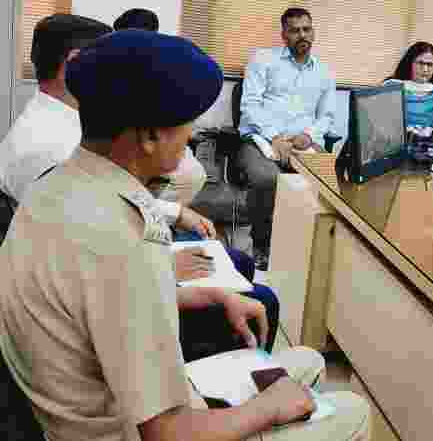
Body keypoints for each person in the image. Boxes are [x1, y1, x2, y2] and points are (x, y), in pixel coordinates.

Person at [0, 29, 370, 441]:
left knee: (306, 361)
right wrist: (268, 408)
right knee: (352, 411)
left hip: (87, 405)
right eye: (187, 121)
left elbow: (89, 298)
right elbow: (167, 432)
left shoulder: (54, 186)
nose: (191, 134)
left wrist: (207, 296)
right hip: (134, 429)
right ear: (149, 136)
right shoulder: (124, 239)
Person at [0, 14, 279, 353]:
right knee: (264, 302)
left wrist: (174, 228)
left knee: (236, 269)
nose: (191, 135)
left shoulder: (70, 140)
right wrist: (161, 268)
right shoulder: (51, 148)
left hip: (98, 298)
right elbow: (101, 282)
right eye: (186, 123)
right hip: (98, 322)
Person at [238, 8, 336, 270]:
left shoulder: (324, 71)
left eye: (306, 29)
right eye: (294, 30)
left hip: (303, 143)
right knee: (267, 179)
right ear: (284, 35)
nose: (302, 35)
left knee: (328, 177)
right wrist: (275, 137)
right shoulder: (263, 59)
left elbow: (327, 116)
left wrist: (308, 135)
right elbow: (249, 106)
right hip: (261, 139)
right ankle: (262, 246)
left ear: (313, 32)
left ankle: (310, 246)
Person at [385, 41, 433, 129]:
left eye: (429, 65)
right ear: (409, 63)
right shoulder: (391, 86)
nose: (425, 69)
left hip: (429, 137)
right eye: (420, 63)